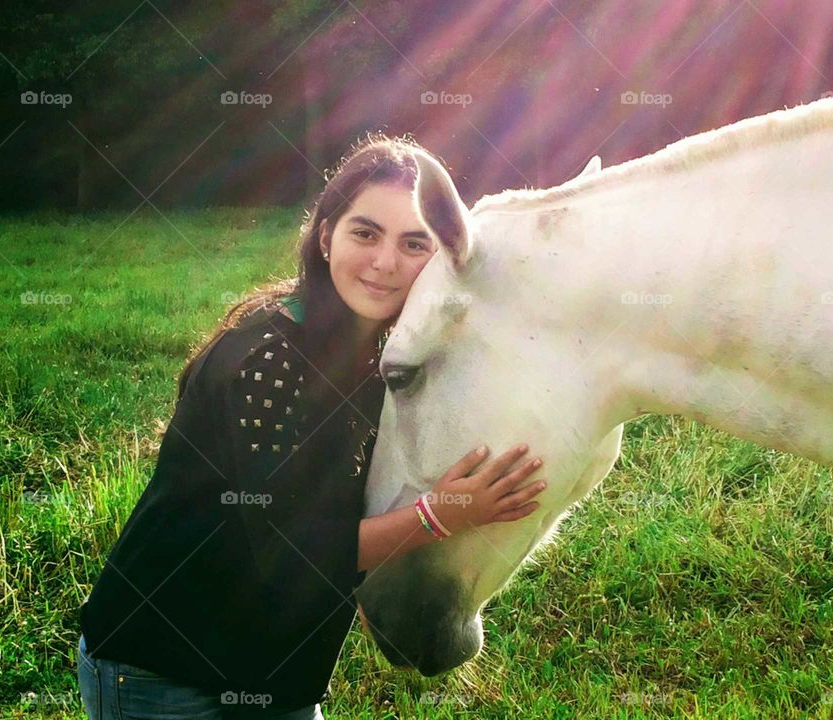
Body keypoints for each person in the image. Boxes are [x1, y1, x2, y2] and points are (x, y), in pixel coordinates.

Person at [77, 134, 547, 719]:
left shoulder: (380, 352)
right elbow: (295, 550)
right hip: (165, 667)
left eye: (413, 243)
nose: (385, 263)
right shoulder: (270, 360)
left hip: (275, 668)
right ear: (326, 236)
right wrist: (443, 514)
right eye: (365, 232)